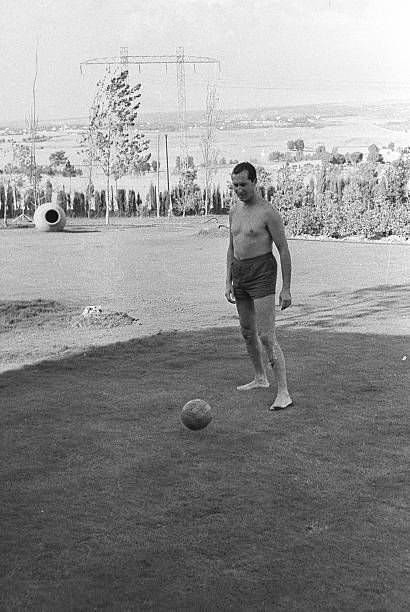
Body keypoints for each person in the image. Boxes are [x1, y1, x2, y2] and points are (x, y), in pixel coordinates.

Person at [225, 162, 293, 410]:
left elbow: (283, 249)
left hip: (262, 272)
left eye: (243, 184)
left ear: (254, 182)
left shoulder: (268, 212)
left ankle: (283, 392)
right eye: (235, 185)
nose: (239, 189)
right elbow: (232, 246)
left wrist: (286, 288)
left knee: (266, 335)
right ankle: (260, 378)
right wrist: (228, 280)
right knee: (246, 331)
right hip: (239, 274)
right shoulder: (233, 212)